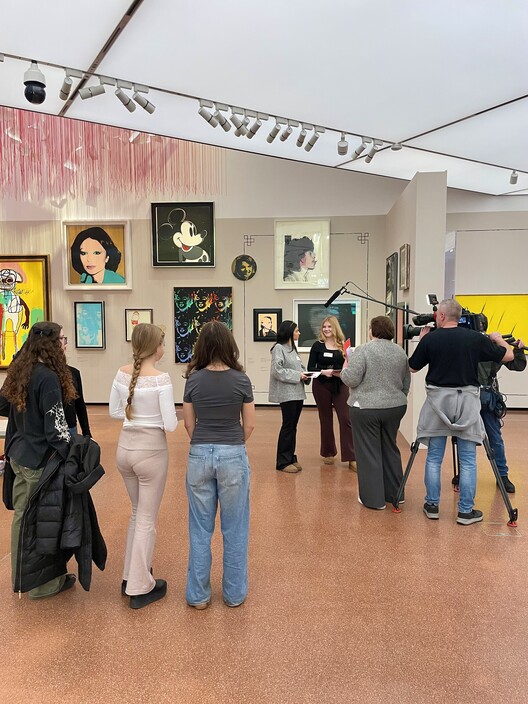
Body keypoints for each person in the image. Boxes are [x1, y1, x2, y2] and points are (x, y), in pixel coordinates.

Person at [409, 299, 513, 525]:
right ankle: (465, 511)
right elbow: (508, 356)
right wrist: (498, 339)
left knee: (434, 457)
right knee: (468, 460)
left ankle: (432, 506)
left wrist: (423, 341)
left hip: (438, 403)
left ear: (441, 316)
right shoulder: (475, 338)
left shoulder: (431, 339)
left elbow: (412, 367)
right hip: (467, 403)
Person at [0, 321, 77, 598]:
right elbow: (56, 429)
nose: (64, 344)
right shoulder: (49, 378)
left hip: (19, 455)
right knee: (41, 523)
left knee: (22, 518)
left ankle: (21, 579)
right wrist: (72, 455)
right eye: (62, 339)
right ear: (52, 344)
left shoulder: (23, 371)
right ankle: (42, 585)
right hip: (39, 460)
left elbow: (2, 404)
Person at [183, 321, 255, 609]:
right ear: (229, 345)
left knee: (200, 528)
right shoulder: (241, 380)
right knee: (235, 527)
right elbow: (249, 425)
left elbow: (189, 424)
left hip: (199, 454)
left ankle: (198, 595)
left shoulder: (193, 380)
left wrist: (203, 442)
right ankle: (234, 594)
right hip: (232, 453)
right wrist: (233, 444)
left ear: (201, 346)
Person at [109, 323, 177, 609]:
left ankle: (129, 576)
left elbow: (115, 411)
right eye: (162, 343)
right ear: (155, 348)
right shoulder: (161, 379)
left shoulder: (121, 373)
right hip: (151, 452)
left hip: (125, 449)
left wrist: (136, 416)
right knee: (147, 518)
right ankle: (139, 586)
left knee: (137, 513)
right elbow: (171, 424)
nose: (164, 347)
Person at [341, 316, 410, 508]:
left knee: (368, 452)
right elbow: (405, 382)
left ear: (372, 330)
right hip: (395, 407)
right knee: (390, 448)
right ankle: (396, 495)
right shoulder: (400, 351)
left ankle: (373, 500)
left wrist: (345, 366)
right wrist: (396, 398)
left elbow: (351, 379)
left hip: (366, 408)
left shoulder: (363, 350)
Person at [477, 313, 526, 493]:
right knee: (468, 439)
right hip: (471, 398)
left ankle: (502, 475)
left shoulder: (494, 346)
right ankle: (466, 474)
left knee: (493, 438)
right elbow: (517, 365)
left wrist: (517, 350)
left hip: (486, 399)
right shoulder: (486, 344)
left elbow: (516, 364)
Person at [307, 315, 356, 469]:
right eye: (324, 327)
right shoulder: (317, 346)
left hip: (340, 384)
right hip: (321, 385)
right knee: (325, 418)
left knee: (346, 418)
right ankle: (328, 452)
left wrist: (344, 368)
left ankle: (351, 457)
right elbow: (310, 367)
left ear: (335, 328)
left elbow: (350, 366)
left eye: (329, 326)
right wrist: (323, 372)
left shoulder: (344, 346)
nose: (326, 329)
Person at [269, 320, 310, 473]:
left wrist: (306, 374)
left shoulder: (292, 349)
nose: (299, 333)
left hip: (298, 393)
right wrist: (298, 375)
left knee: (293, 427)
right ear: (289, 332)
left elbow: (299, 367)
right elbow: (277, 371)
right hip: (287, 394)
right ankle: (282, 462)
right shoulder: (278, 348)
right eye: (297, 330)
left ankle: (291, 457)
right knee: (288, 427)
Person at [59, 332, 92, 436]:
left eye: (64, 338)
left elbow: (80, 404)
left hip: (70, 427)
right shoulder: (44, 375)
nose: (64, 343)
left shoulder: (74, 373)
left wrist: (87, 433)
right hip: (49, 431)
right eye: (61, 338)